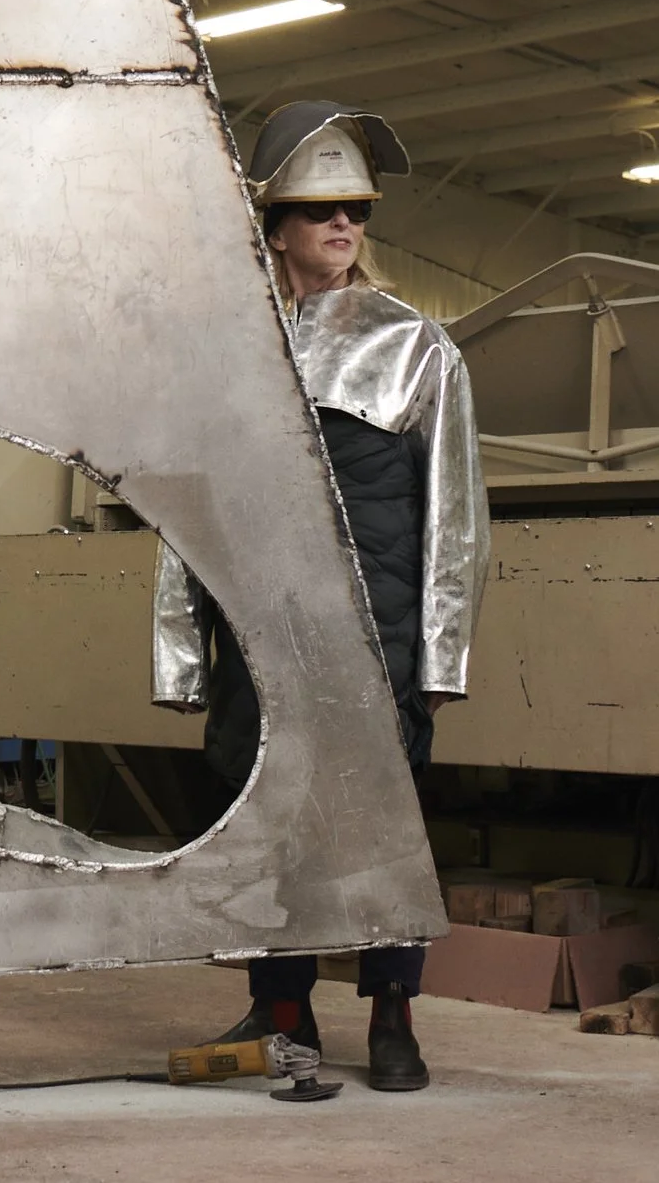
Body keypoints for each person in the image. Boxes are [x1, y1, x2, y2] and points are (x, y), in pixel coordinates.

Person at [195, 102, 490, 1092]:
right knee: (266, 829)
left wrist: (440, 660)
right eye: (319, 210)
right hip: (258, 639)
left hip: (378, 641)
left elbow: (455, 519)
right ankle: (284, 1021)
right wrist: (181, 654)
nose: (343, 226)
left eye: (355, 210)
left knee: (382, 838)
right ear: (274, 226)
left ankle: (394, 1021)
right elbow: (193, 515)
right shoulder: (230, 350)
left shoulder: (416, 349)